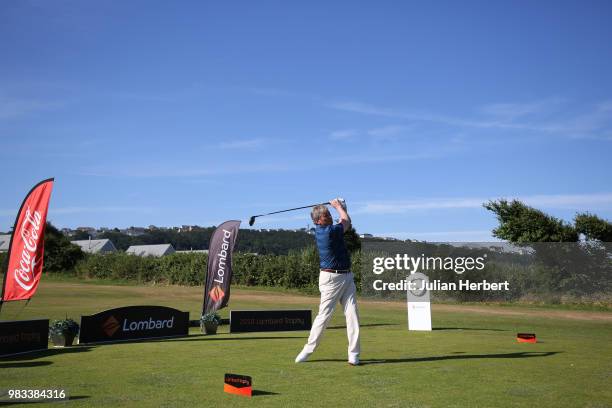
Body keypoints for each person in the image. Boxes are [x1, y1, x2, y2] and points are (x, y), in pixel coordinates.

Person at [295, 198, 361, 365]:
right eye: (326, 216)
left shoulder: (329, 228)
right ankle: (307, 350)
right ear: (318, 221)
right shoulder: (327, 232)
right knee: (324, 316)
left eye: (330, 214)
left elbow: (343, 220)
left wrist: (342, 207)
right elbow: (346, 222)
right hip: (331, 279)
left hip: (346, 276)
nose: (330, 217)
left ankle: (354, 354)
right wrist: (339, 206)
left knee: (352, 315)